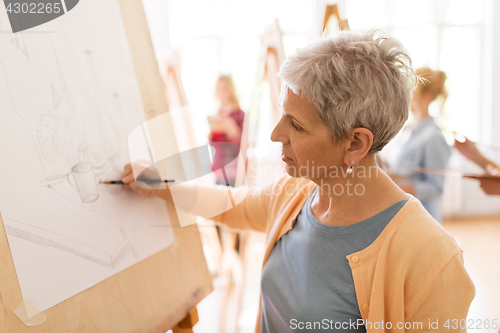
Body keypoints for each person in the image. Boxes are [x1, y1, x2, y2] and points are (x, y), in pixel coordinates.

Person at [122, 30, 475, 332]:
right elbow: (234, 206)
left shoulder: (432, 260)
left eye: (296, 124)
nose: (276, 134)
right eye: (282, 115)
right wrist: (163, 185)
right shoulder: (299, 193)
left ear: (355, 143)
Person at [389, 67, 451, 223]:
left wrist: (391, 187)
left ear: (427, 97)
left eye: (412, 93)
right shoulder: (408, 130)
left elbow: (435, 187)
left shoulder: (434, 137)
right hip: (402, 214)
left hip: (423, 220)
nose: (406, 97)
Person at [208, 75, 245, 187]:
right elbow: (213, 143)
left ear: (230, 89)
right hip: (219, 169)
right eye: (218, 88)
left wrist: (227, 125)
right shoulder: (217, 114)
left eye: (224, 88)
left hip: (234, 169)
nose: (221, 92)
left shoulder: (239, 114)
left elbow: (241, 141)